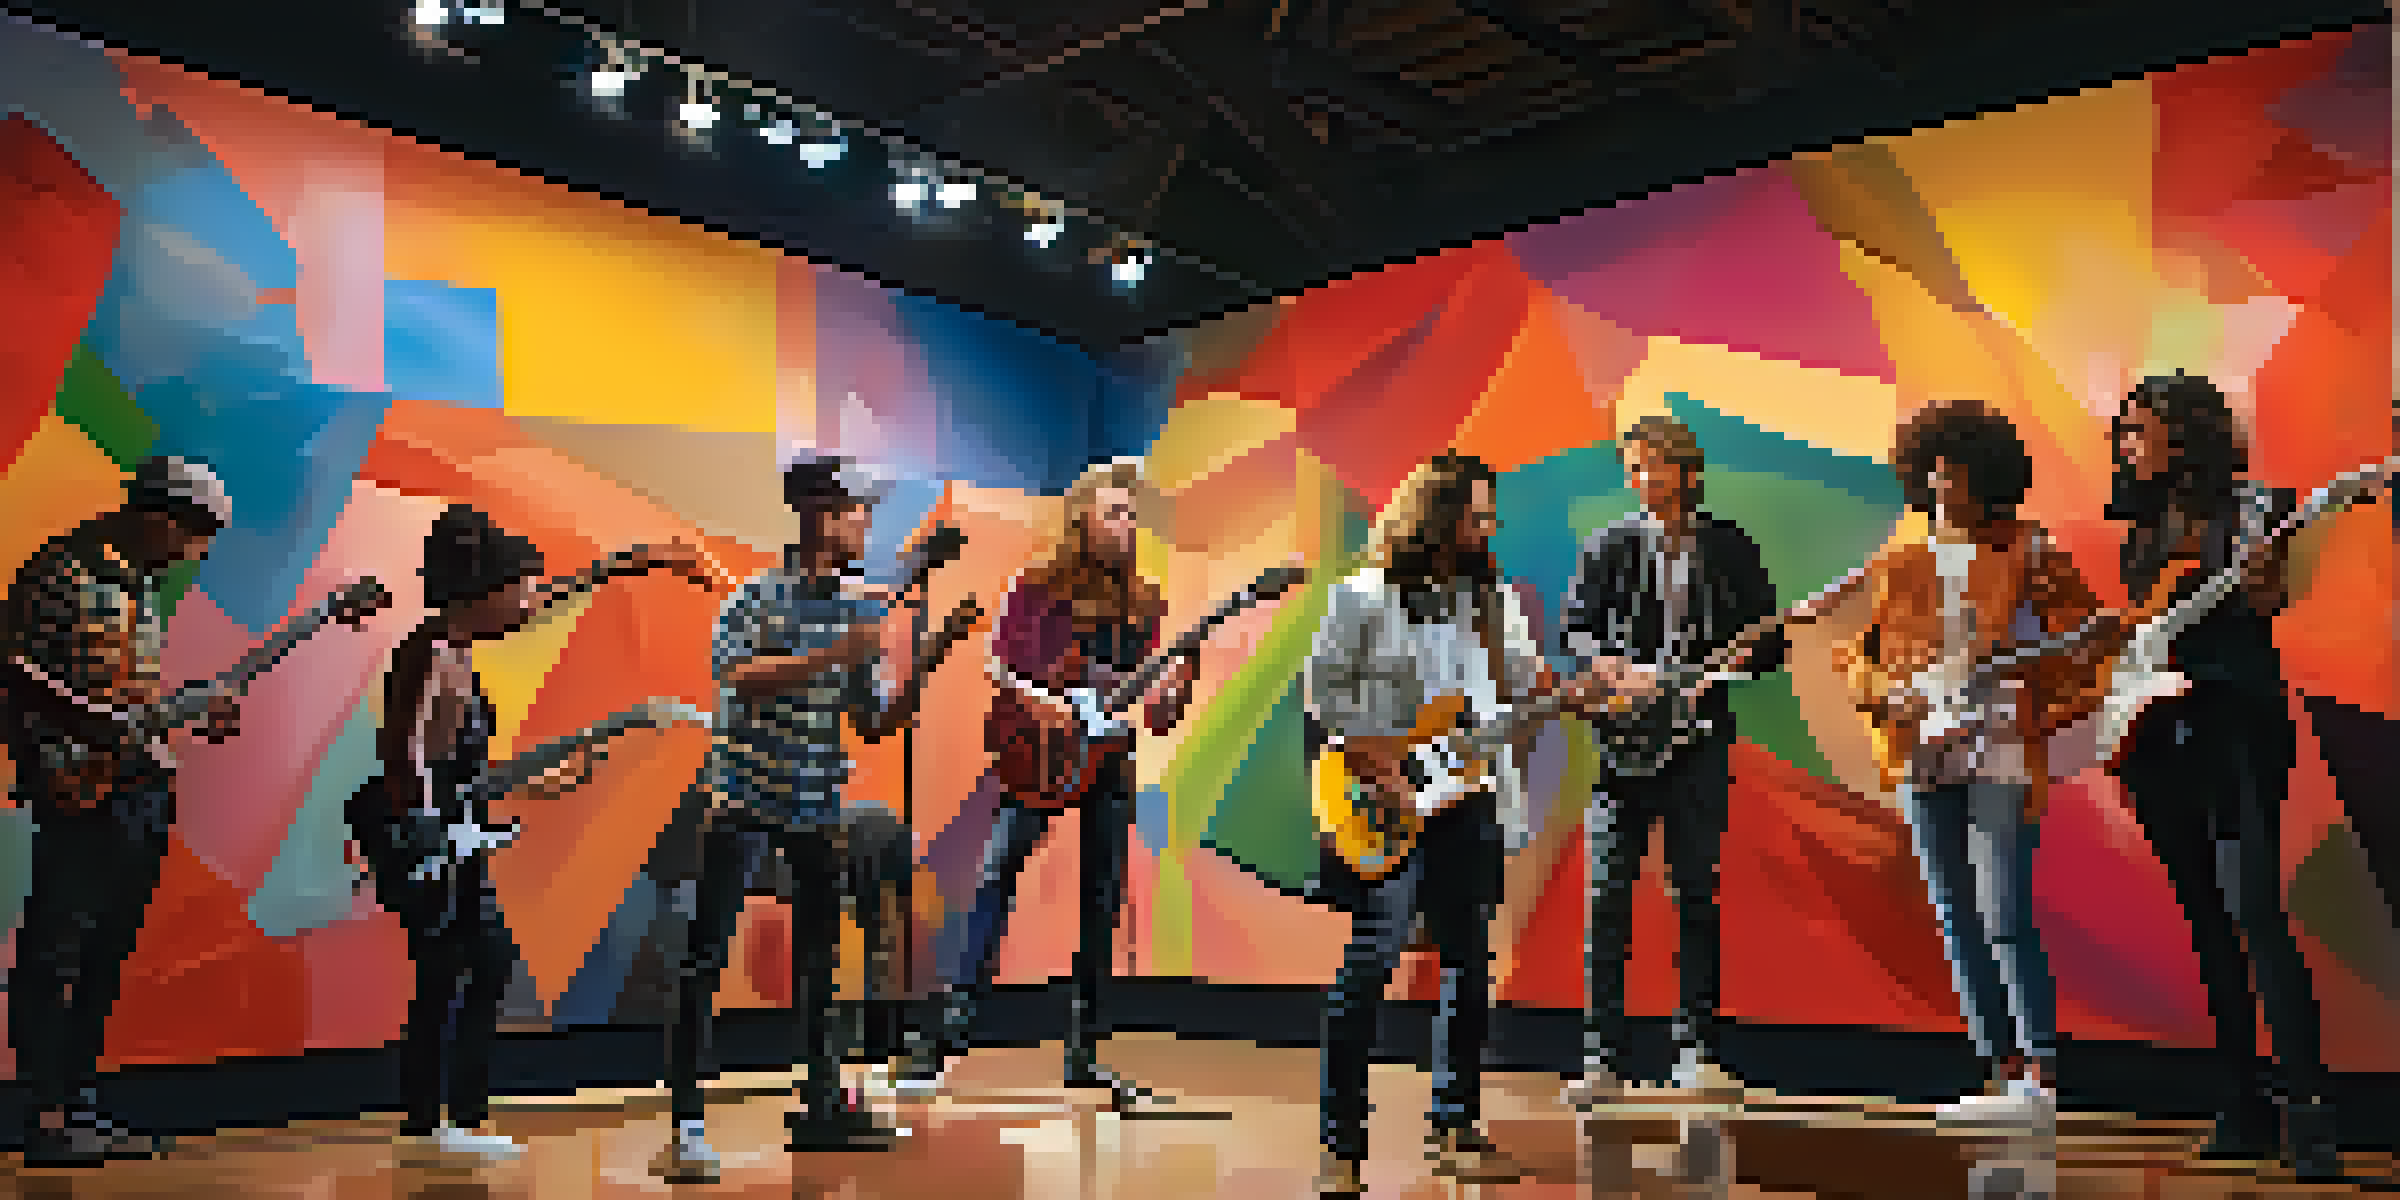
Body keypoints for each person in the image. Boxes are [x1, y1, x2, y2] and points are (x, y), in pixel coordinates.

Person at [349, 504, 712, 1165]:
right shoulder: (428, 654)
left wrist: (546, 783)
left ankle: (447, 1120)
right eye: (516, 588)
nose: (527, 604)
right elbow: (403, 754)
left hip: (452, 835)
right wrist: (428, 827)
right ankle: (439, 1122)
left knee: (471, 968)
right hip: (432, 842)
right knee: (458, 970)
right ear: (480, 590)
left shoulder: (455, 651)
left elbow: (469, 773)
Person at [1302, 451, 1619, 1195]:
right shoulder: (1363, 595)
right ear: (1435, 518)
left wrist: (1574, 692)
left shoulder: (1494, 600)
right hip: (1384, 799)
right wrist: (1374, 752)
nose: (1487, 528)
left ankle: (1455, 1124)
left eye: (1490, 517)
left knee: (1468, 964)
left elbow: (1522, 679)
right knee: (1372, 959)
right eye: (1475, 515)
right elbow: (1323, 691)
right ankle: (1340, 1143)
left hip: (1470, 797)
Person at [661, 455, 959, 1178]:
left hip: (816, 802)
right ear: (824, 516)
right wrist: (835, 652)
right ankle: (687, 1125)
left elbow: (872, 720)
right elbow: (738, 677)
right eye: (858, 510)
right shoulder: (756, 600)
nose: (866, 523)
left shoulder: (860, 609)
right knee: (704, 959)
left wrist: (931, 659)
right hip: (741, 797)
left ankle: (823, 1103)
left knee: (821, 959)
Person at [1833, 399, 2110, 1126]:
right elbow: (1863, 659)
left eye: (1953, 470)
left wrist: (2039, 707)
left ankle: (2041, 1077)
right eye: (1930, 470)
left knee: (2003, 912)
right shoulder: (1899, 562)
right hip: (1923, 750)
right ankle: (1999, 1070)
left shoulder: (2030, 548)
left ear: (1985, 474)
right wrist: (1882, 695)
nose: (1940, 483)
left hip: (2000, 746)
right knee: (1955, 914)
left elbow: (2091, 639)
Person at [893, 458, 1197, 1112]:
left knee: (1103, 901)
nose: (1127, 524)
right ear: (1083, 520)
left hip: (1111, 758)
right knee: (996, 877)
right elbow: (999, 666)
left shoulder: (1145, 602)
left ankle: (1085, 1051)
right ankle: (948, 1036)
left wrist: (1175, 688)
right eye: (1115, 512)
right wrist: (1052, 707)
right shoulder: (1037, 586)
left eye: (1133, 514)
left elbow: (1153, 710)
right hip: (1040, 754)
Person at [2104, 373, 2340, 1180]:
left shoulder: (2259, 506)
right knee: (2207, 919)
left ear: (2188, 432)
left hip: (2237, 726)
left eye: (2141, 428)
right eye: (2124, 431)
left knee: (2253, 910)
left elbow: (2270, 597)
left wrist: (2259, 568)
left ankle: (2308, 1115)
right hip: (2162, 735)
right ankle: (2240, 1107)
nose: (2128, 444)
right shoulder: (2142, 528)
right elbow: (2146, 636)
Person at [1, 456, 238, 1167]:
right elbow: (14, 673)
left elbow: (129, 698)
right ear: (160, 518)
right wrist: (85, 734)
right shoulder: (62, 572)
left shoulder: (143, 587)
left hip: (139, 789)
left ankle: (78, 1105)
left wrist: (186, 717)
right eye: (196, 538)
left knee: (105, 957)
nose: (198, 554)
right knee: (56, 956)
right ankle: (44, 1117)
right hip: (79, 791)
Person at [1556, 416, 1786, 1103]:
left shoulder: (1729, 546)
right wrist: (1611, 668)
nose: (1639, 480)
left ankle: (1699, 1051)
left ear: (1687, 471)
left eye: (1651, 465)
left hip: (1701, 741)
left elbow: (1772, 641)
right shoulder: (1610, 545)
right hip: (1623, 746)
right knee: (1607, 898)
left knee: (1696, 894)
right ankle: (1602, 1059)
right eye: (1631, 468)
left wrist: (1747, 656)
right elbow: (1576, 626)